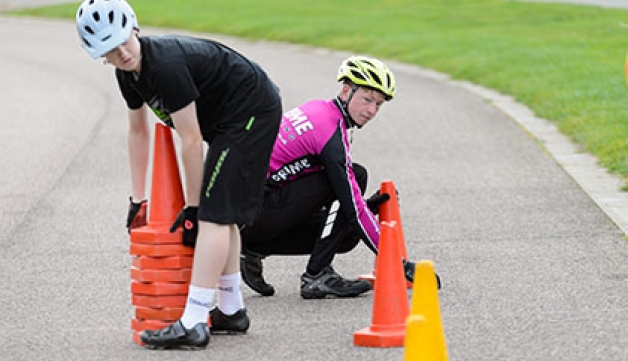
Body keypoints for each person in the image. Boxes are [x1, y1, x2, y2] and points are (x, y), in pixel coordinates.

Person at [76, 0, 282, 350]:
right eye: (110, 49)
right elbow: (138, 132)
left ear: (134, 29)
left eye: (124, 40)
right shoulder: (128, 75)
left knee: (213, 215)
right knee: (222, 212)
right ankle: (231, 310)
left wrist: (191, 207)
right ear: (100, 55)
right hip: (226, 119)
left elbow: (188, 139)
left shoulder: (165, 66)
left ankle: (192, 321)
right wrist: (137, 199)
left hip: (251, 109)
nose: (122, 52)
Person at [239, 56, 439, 299]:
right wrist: (399, 263)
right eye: (367, 99)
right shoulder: (329, 132)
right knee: (354, 177)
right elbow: (351, 204)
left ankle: (252, 249)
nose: (371, 111)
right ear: (346, 91)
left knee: (346, 236)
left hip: (247, 216)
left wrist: (367, 207)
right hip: (252, 213)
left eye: (378, 104)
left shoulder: (318, 109)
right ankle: (317, 274)